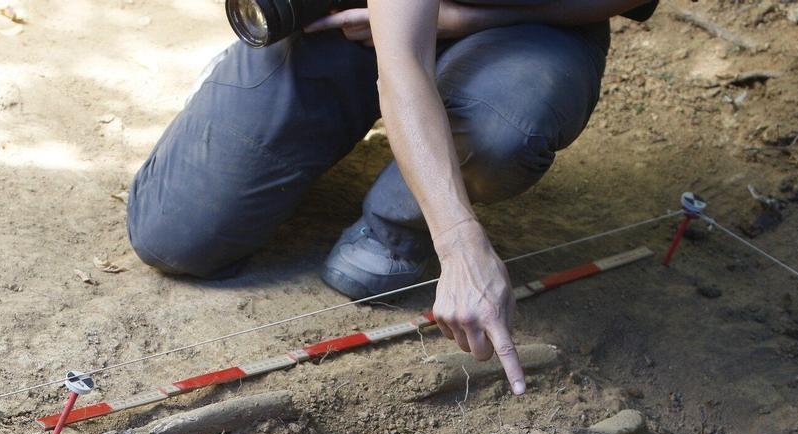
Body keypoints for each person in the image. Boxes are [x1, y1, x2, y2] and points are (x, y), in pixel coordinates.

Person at [126, 1, 658, 395]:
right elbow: (403, 64)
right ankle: (257, 98)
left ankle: (395, 223)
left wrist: (463, 19)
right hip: (349, 19)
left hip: (529, 21)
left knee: (504, 132)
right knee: (176, 235)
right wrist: (462, 245)